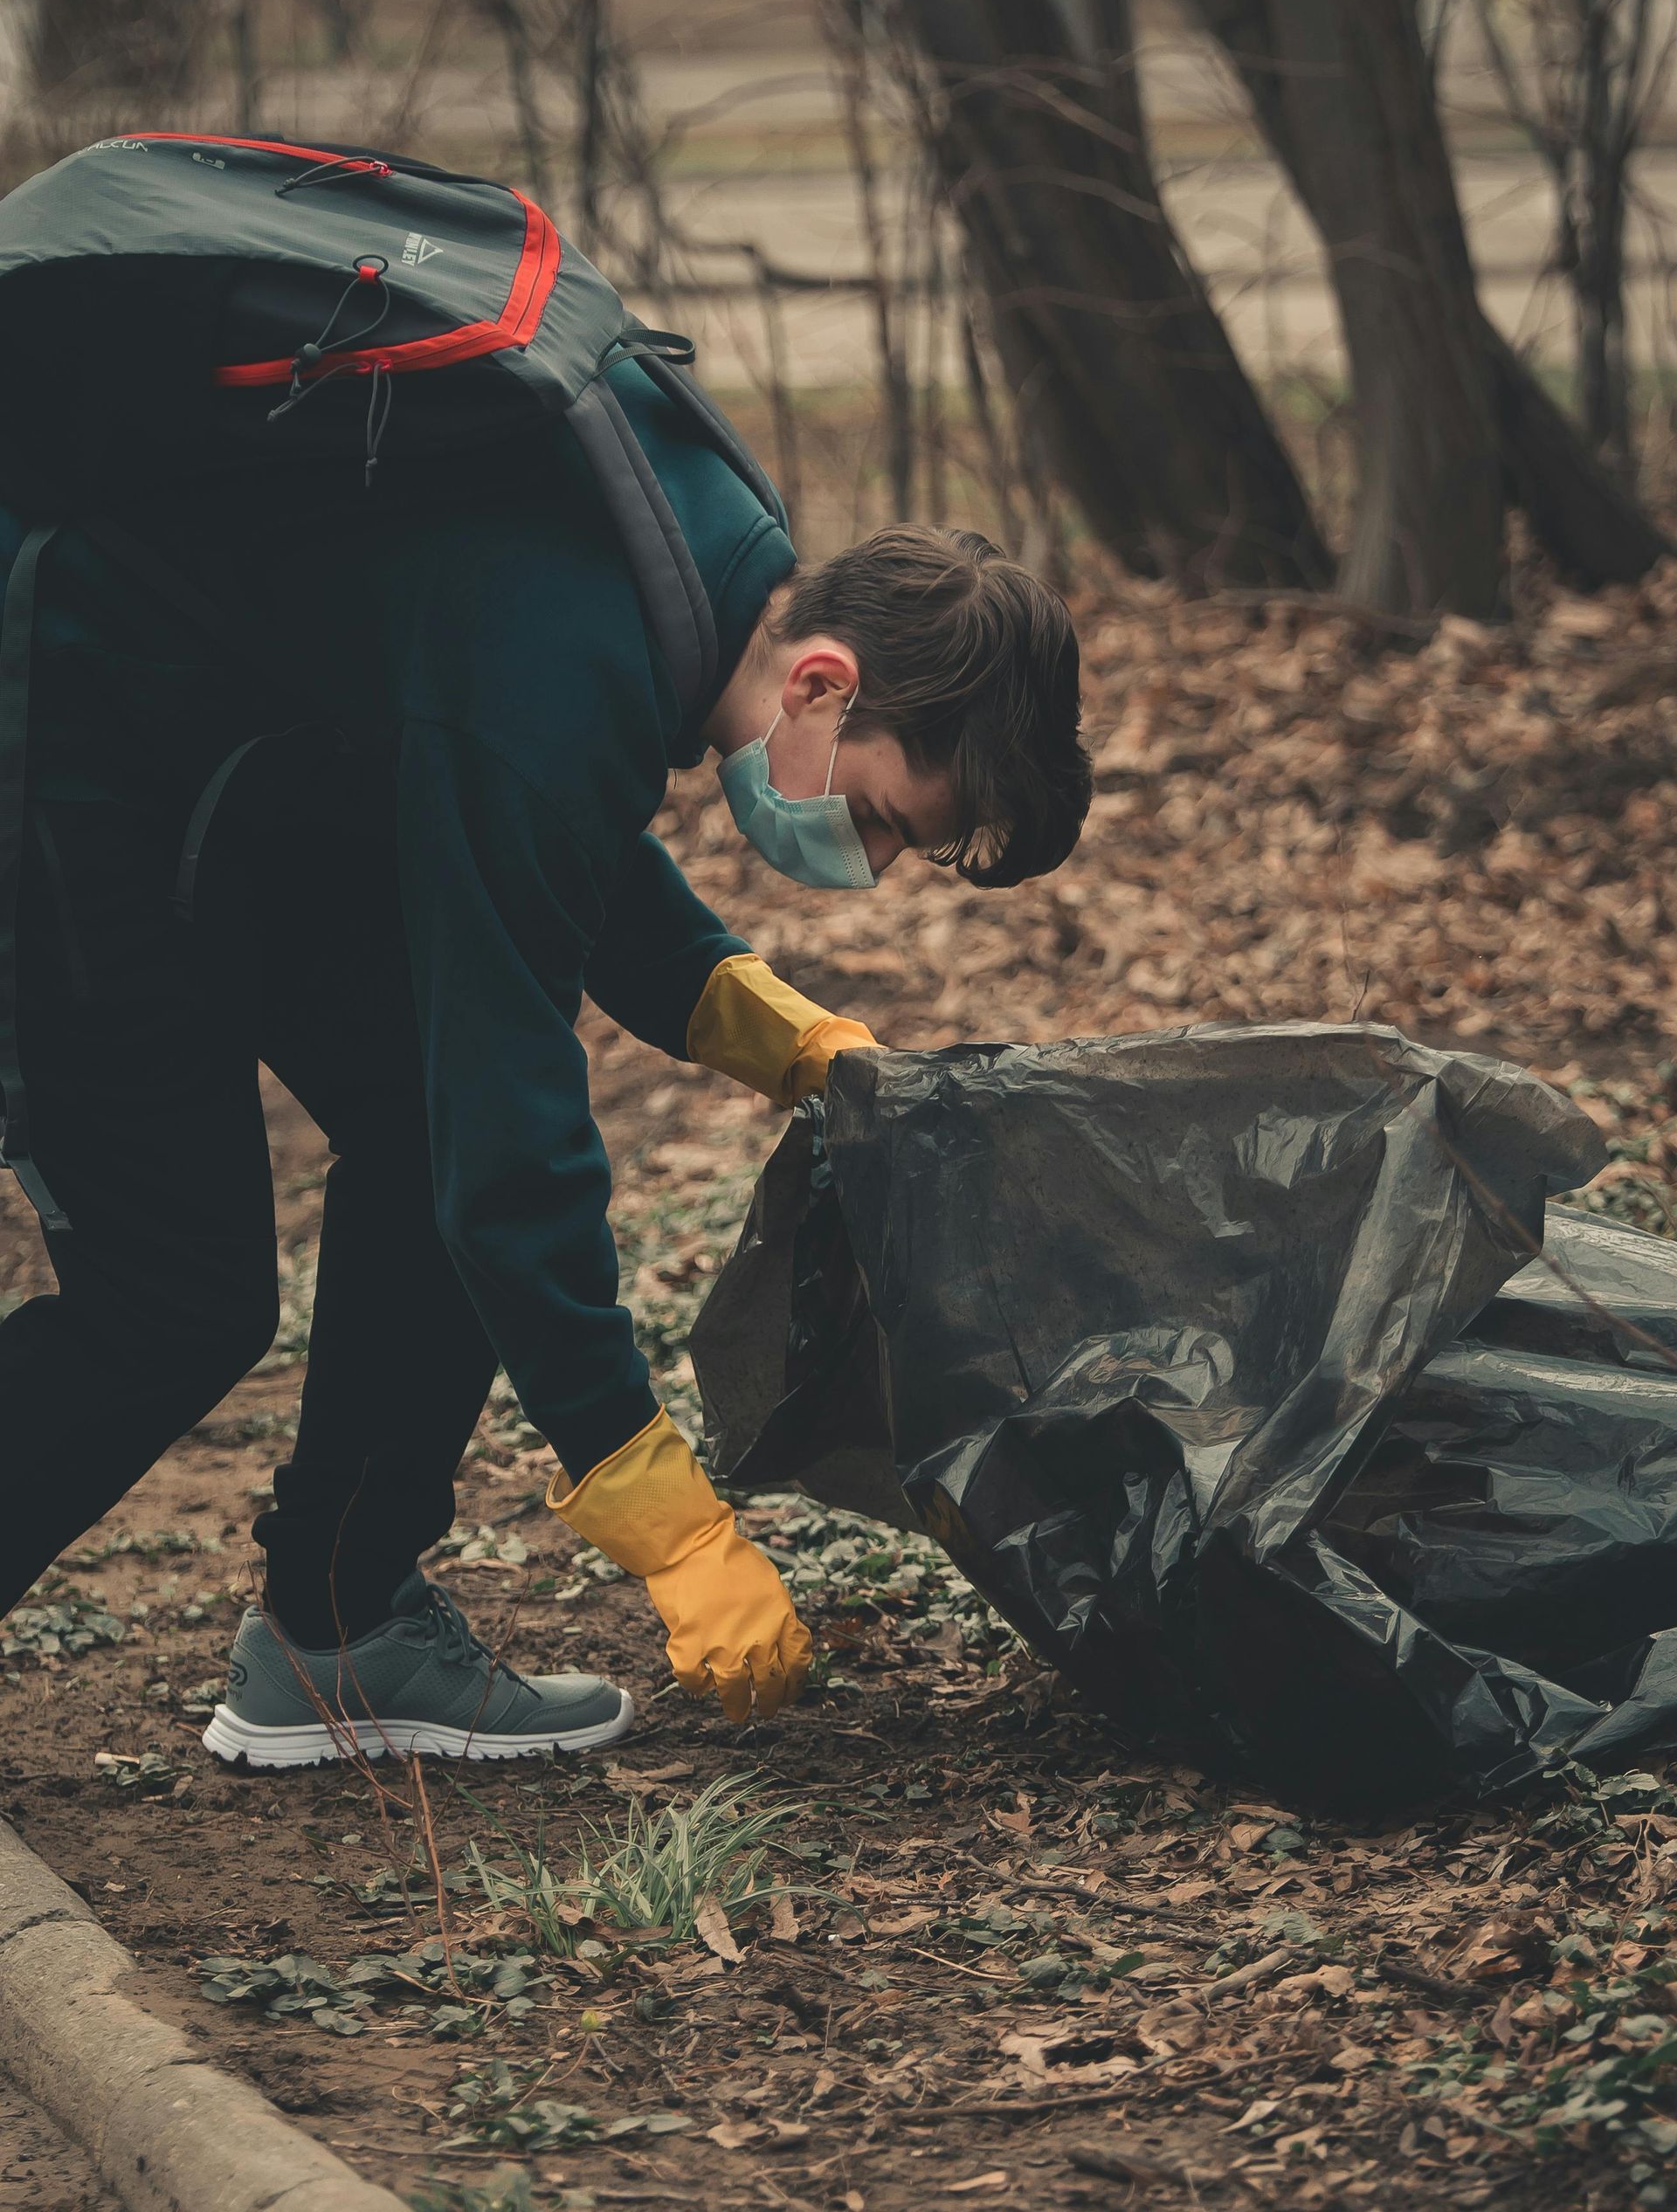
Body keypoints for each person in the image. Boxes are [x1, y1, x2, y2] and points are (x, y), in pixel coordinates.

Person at [0, 355, 1090, 1762]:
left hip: (233, 772)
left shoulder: (702, 559)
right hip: (60, 761)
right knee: (178, 1296)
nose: (866, 867)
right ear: (825, 681)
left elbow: (535, 814)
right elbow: (512, 1141)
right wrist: (668, 1523)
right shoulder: (569, 643)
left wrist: (757, 1022)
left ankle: (337, 1630)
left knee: (409, 1127)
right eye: (883, 819)